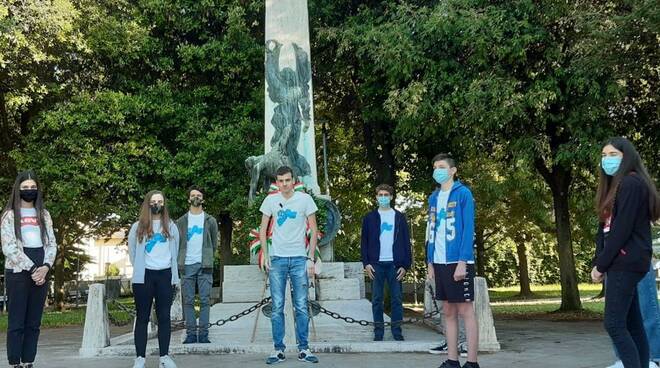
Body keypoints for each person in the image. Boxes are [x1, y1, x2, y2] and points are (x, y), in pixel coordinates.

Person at [592, 137, 660, 368]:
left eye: (613, 155)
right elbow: (605, 229)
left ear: (627, 157)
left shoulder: (631, 184)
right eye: (604, 156)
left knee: (614, 324)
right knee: (633, 324)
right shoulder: (617, 187)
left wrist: (601, 265)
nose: (607, 160)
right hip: (624, 261)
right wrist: (599, 260)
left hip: (625, 261)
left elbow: (622, 230)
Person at [259, 166, 319, 364]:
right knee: (277, 306)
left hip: (299, 259)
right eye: (280, 181)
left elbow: (314, 229)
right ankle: (278, 349)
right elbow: (263, 229)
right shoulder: (270, 200)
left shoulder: (305, 200)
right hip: (277, 259)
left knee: (301, 305)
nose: (284, 184)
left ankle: (304, 348)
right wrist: (266, 254)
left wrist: (310, 258)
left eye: (287, 180)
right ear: (277, 182)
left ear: (293, 180)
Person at [425, 154, 480, 368]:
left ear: (453, 170)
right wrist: (429, 261)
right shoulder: (433, 197)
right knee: (447, 311)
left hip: (458, 261)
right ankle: (452, 360)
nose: (437, 170)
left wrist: (463, 261)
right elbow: (430, 230)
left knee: (466, 310)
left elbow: (468, 229)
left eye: (441, 167)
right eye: (435, 167)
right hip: (439, 262)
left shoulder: (463, 194)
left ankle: (472, 362)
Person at [1, 170, 57, 368]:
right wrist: (33, 268)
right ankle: (15, 362)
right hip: (18, 271)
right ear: (18, 190)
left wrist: (45, 267)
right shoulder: (9, 215)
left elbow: (51, 244)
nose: (29, 191)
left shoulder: (44, 214)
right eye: (25, 188)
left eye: (33, 188)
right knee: (17, 322)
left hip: (41, 270)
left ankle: (28, 361)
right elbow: (9, 247)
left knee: (33, 323)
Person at [128, 190, 180, 368]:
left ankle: (164, 357)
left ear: (164, 204)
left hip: (165, 275)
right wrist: (140, 270)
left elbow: (175, 252)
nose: (157, 204)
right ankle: (140, 358)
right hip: (144, 277)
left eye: (160, 201)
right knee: (142, 317)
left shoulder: (171, 227)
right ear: (148, 204)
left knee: (164, 317)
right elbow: (133, 253)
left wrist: (174, 277)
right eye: (153, 201)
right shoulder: (138, 227)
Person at [360, 183, 412, 341]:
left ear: (391, 197)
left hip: (395, 264)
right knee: (376, 299)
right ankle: (378, 332)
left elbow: (405, 242)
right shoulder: (369, 218)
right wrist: (366, 263)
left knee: (396, 298)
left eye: (386, 195)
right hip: (376, 264)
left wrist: (405, 265)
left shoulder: (399, 217)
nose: (383, 197)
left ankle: (397, 331)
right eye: (380, 195)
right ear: (376, 197)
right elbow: (364, 242)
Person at [176, 186, 218, 344]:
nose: (196, 197)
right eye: (193, 195)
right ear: (189, 199)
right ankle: (191, 334)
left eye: (199, 195)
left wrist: (207, 258)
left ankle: (204, 334)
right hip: (186, 265)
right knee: (188, 301)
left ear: (203, 199)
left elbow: (214, 243)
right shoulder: (181, 221)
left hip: (204, 265)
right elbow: (178, 243)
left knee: (205, 300)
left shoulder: (210, 220)